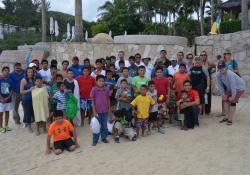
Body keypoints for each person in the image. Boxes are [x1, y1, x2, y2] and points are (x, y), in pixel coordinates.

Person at [216, 61, 245, 125]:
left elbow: (233, 86)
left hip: (239, 87)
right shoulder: (218, 74)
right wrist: (223, 95)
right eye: (220, 68)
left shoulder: (230, 74)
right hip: (231, 88)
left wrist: (233, 96)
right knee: (225, 100)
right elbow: (220, 86)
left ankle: (230, 119)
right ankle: (226, 117)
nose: (221, 69)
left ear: (226, 67)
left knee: (232, 101)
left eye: (222, 67)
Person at [91, 75, 110, 145]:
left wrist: (109, 109)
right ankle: (95, 140)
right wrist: (94, 111)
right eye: (99, 81)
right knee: (96, 126)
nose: (101, 82)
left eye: (103, 81)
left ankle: (103, 138)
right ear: (96, 82)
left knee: (104, 125)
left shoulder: (107, 89)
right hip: (97, 111)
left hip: (105, 111)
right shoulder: (94, 89)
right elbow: (92, 102)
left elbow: (108, 99)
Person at [20, 68, 35, 132]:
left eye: (31, 72)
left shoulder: (33, 79)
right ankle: (29, 126)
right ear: (26, 73)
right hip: (26, 99)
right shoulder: (23, 80)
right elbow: (21, 91)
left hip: (34, 98)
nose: (30, 73)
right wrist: (29, 90)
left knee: (32, 112)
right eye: (29, 72)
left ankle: (28, 122)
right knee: (28, 112)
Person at [0, 66, 13, 133]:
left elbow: (11, 91)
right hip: (1, 101)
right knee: (1, 114)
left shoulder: (10, 80)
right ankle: (1, 127)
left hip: (8, 100)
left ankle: (6, 126)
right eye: (5, 70)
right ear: (2, 72)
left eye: (8, 70)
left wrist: (7, 98)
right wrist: (2, 98)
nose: (7, 71)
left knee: (7, 113)